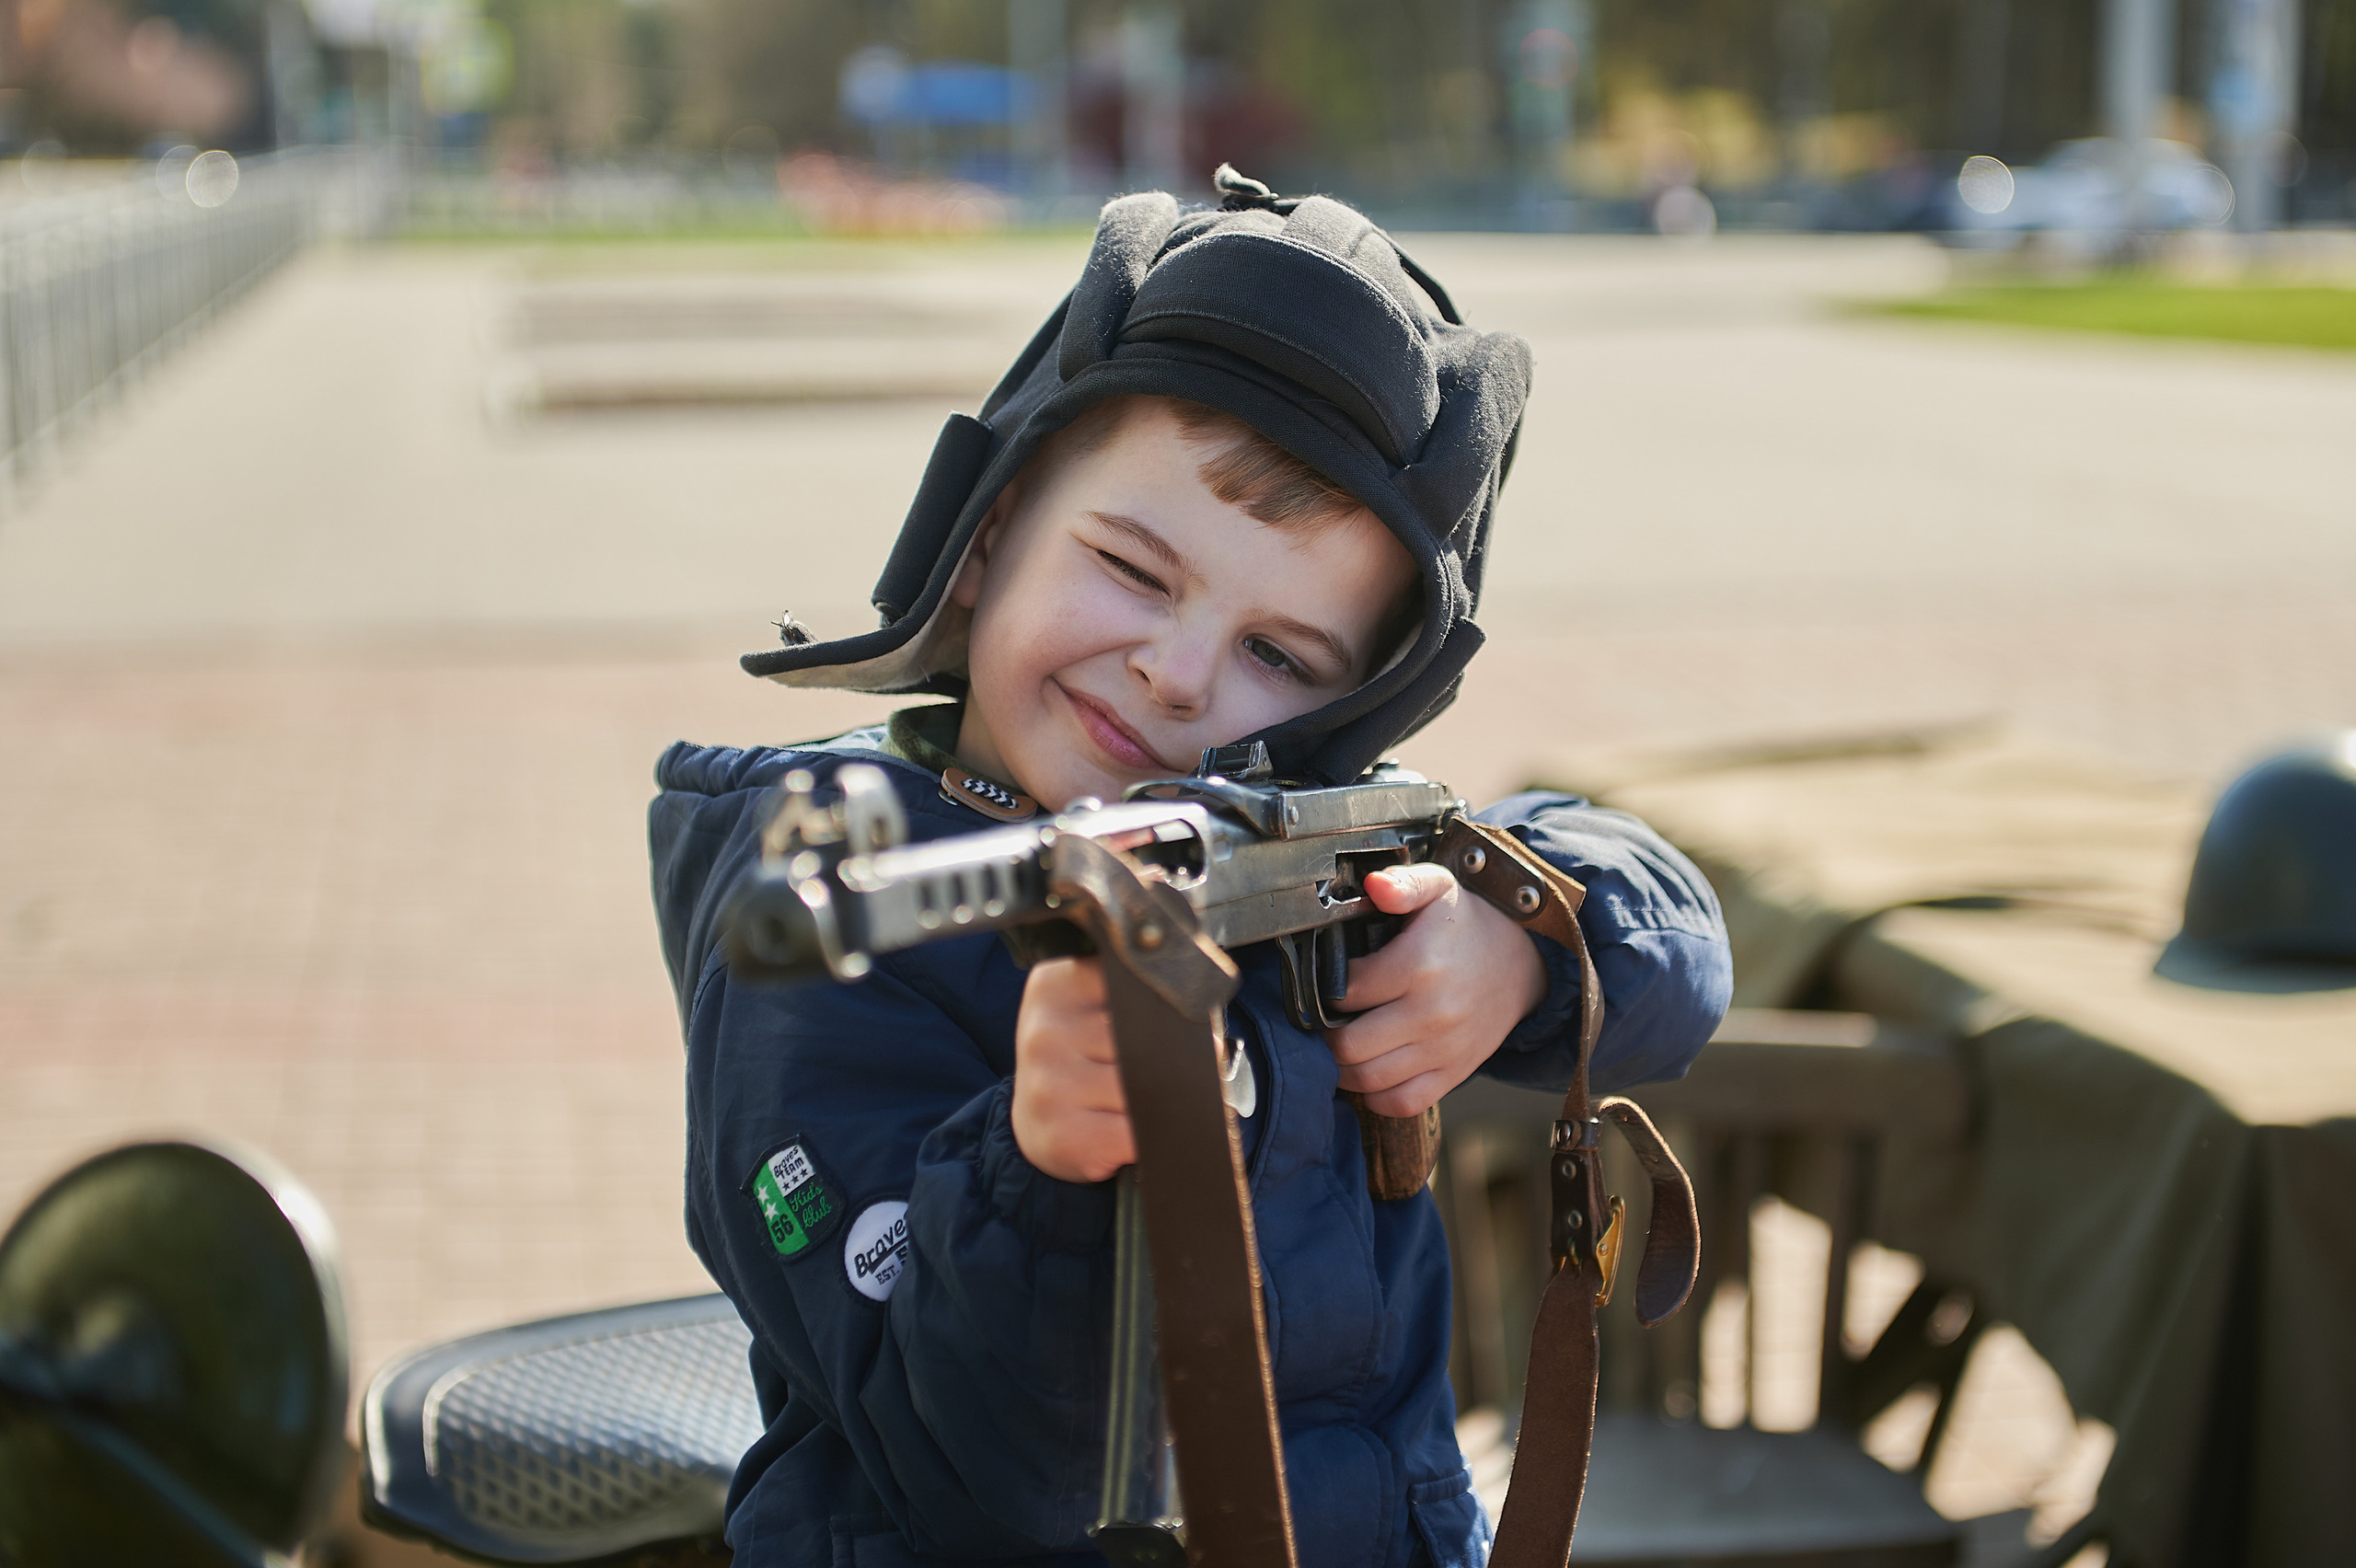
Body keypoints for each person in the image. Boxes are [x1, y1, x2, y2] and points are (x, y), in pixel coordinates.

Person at [650, 177, 1731, 1568]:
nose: (1176, 673)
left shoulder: (1333, 855)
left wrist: (1515, 944)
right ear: (986, 535)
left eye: (1277, 655)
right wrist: (1044, 1169)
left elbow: (1680, 949)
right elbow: (983, 1472)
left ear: (1349, 715)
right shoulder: (844, 939)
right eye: (1132, 569)